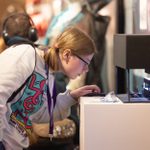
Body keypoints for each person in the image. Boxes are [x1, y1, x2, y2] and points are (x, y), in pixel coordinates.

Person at [0, 12, 100, 150]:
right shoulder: (25, 55)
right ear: (67, 54)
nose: (86, 69)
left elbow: (40, 114)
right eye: (85, 62)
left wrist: (71, 97)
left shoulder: (48, 73)